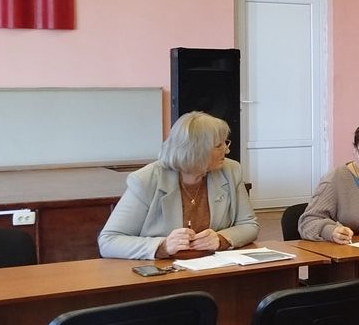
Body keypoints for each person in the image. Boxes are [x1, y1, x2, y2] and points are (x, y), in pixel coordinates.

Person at [99, 111, 258, 260]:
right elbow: (109, 241)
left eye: (225, 143)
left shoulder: (231, 170)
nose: (227, 150)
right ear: (196, 151)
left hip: (215, 266)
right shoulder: (145, 180)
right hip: (165, 270)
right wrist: (163, 246)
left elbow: (249, 225)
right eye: (219, 146)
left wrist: (221, 238)